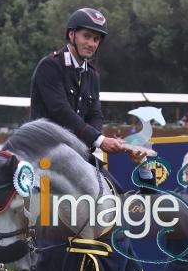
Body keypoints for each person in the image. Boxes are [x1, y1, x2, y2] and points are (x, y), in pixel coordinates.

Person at [30, 8, 124, 158]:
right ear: (71, 34)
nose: (91, 43)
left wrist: (90, 143)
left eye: (96, 39)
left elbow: (95, 114)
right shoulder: (50, 66)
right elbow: (60, 110)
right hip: (44, 151)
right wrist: (98, 139)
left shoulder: (92, 74)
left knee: (110, 182)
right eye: (86, 36)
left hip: (76, 154)